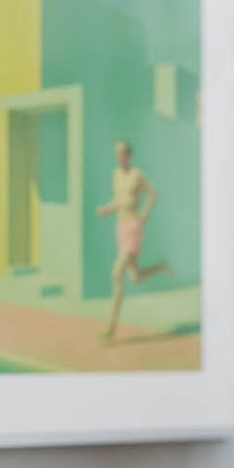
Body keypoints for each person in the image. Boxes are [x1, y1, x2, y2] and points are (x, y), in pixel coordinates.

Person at [96, 140, 168, 342]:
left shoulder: (137, 174)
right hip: (120, 228)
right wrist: (105, 209)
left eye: (122, 153)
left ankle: (111, 326)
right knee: (135, 277)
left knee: (116, 274)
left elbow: (152, 192)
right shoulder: (116, 174)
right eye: (116, 153)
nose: (119, 157)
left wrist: (144, 214)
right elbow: (118, 201)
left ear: (129, 154)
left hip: (133, 228)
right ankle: (162, 265)